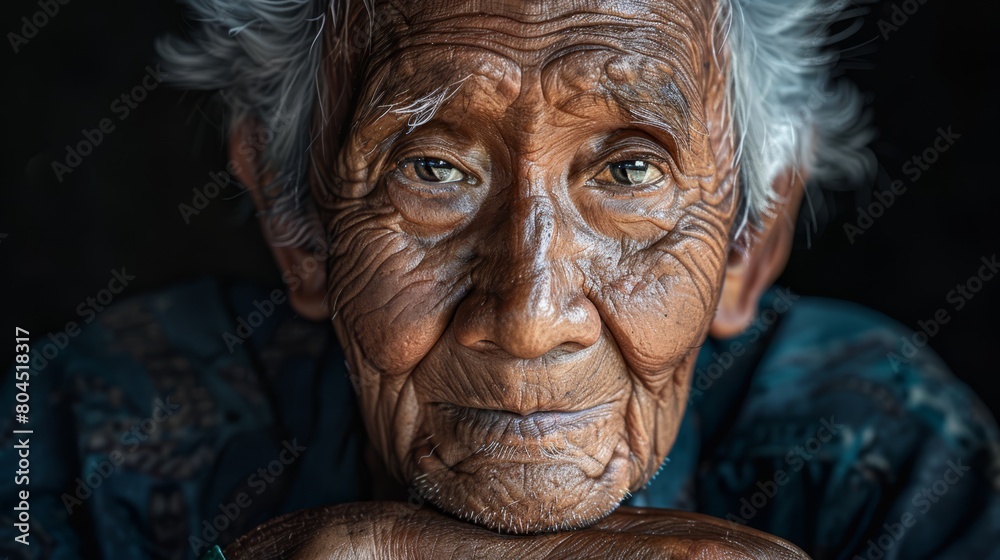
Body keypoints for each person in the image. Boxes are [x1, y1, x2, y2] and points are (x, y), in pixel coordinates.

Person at [3, 0, 998, 558]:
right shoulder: (94, 431)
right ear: (295, 223)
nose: (527, 317)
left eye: (630, 171)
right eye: (432, 169)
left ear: (750, 242)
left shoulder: (880, 456)